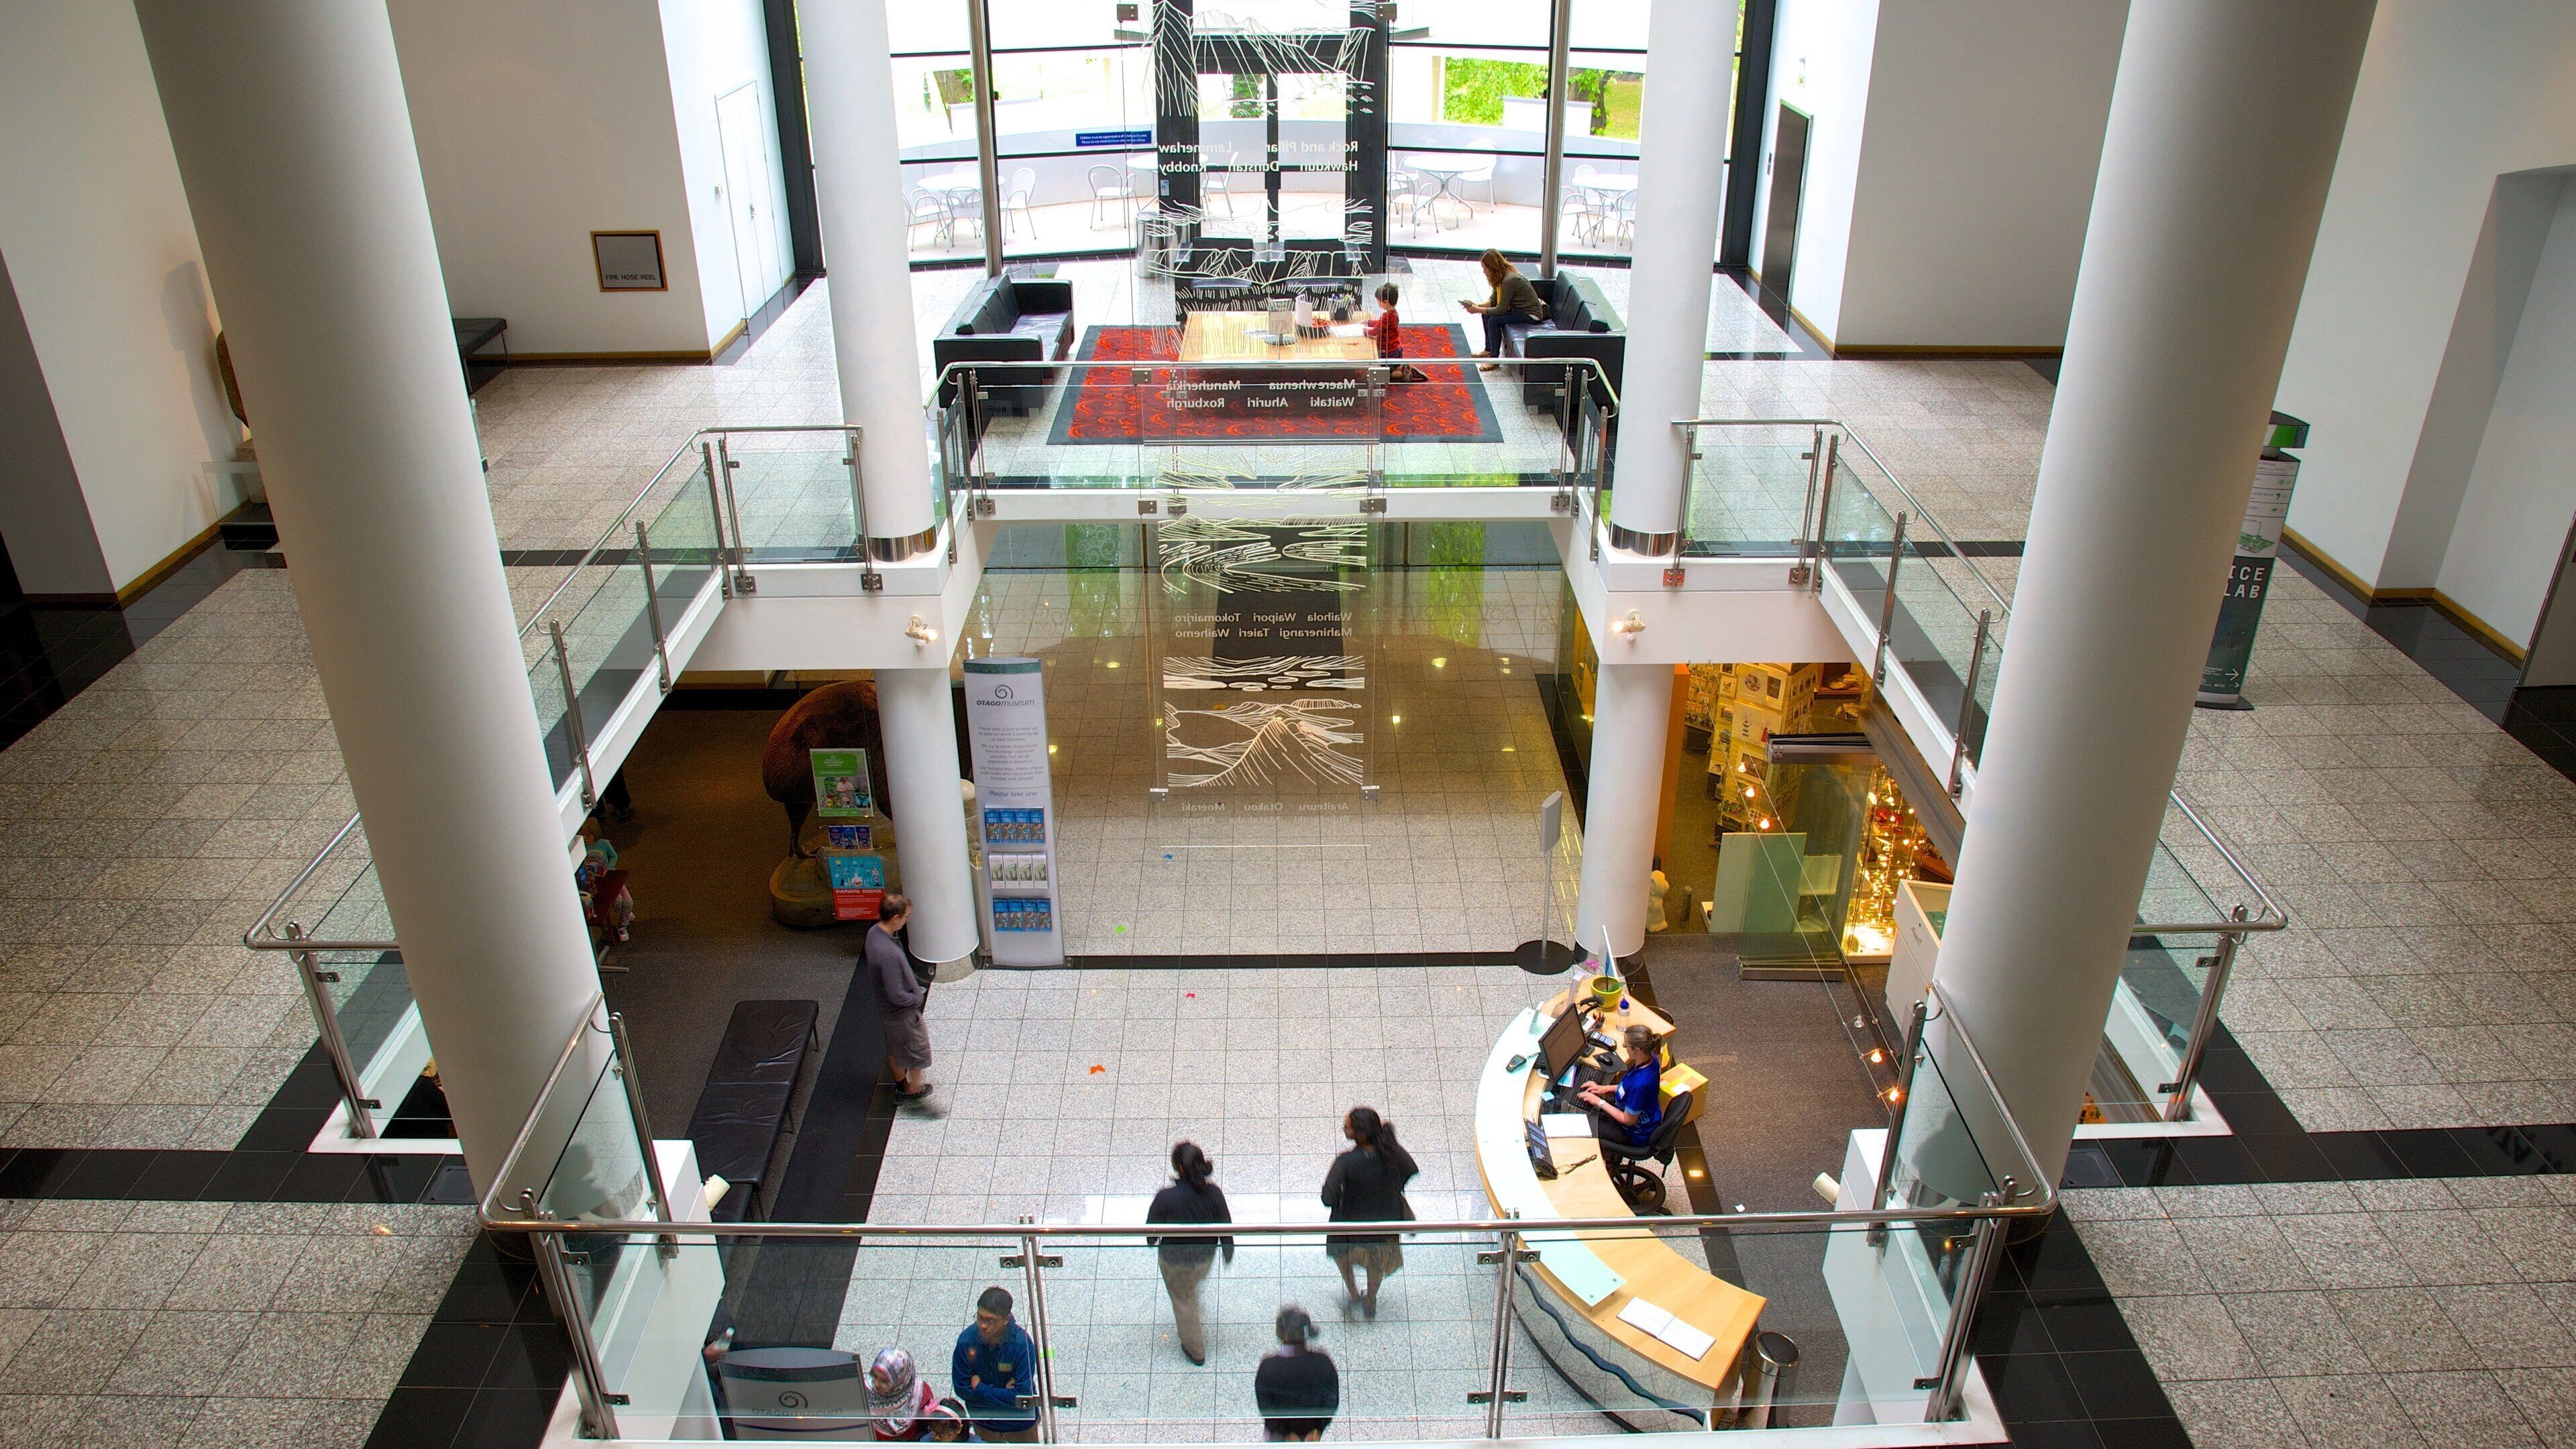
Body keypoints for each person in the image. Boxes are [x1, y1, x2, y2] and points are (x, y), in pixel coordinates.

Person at [1320, 1106, 1417, 1318]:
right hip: (1383, 1225)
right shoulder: (1392, 1152)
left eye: (1347, 1127)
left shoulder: (1345, 1162)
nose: (1344, 1129)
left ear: (1360, 1134)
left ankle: (1354, 1294)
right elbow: (1411, 1169)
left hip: (1349, 1226)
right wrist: (1391, 1187)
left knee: (1342, 1257)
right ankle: (1371, 1298)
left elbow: (1327, 1199)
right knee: (1376, 1262)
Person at [1146, 1140, 1236, 1365]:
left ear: (1180, 1168)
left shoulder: (1165, 1198)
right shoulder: (1214, 1194)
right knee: (1190, 1287)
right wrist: (1228, 1252)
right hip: (1204, 1259)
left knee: (1184, 1303)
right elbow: (1226, 1227)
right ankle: (1192, 1289)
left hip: (1175, 1262)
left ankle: (1196, 1351)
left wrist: (1152, 1241)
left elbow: (1151, 1232)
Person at [952, 1286, 1040, 1443]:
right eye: (980, 1318)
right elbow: (962, 1389)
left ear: (1006, 1319)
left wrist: (980, 1388)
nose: (983, 1325)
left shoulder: (1022, 1344)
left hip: (1020, 1424)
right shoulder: (966, 1341)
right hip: (984, 1423)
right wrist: (1004, 1393)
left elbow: (1022, 1396)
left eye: (990, 1321)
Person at [867, 894, 932, 1099]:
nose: (907, 920)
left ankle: (902, 1085)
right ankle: (914, 1090)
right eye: (906, 917)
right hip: (902, 1015)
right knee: (916, 1050)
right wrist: (917, 999)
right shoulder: (888, 953)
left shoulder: (873, 934)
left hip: (887, 1011)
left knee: (894, 1048)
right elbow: (897, 995)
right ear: (896, 918)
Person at [1254, 1305, 1339, 1442]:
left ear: (1281, 1333)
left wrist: (1286, 1433)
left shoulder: (1268, 1367)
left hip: (1280, 1436)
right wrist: (1318, 1429)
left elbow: (1266, 1406)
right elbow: (1331, 1399)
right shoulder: (1323, 1363)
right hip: (1312, 1436)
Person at [1576, 1024, 1665, 1148]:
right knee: (1592, 1110)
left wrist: (1598, 1101)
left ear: (1637, 1050)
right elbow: (1628, 1086)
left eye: (1626, 1045)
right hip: (1635, 1111)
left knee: (1584, 1125)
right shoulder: (1651, 1059)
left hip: (1634, 1132)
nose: (1625, 1047)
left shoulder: (1639, 1085)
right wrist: (1604, 1088)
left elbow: (1628, 1120)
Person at [1460, 248, 1546, 368]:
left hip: (1531, 315)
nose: (1484, 272)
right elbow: (1493, 300)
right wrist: (1477, 306)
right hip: (1518, 310)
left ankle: (1494, 359)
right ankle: (1489, 349)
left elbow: (1501, 310)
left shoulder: (1509, 280)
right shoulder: (1501, 277)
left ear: (1493, 267)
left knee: (1494, 321)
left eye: (1485, 269)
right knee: (1486, 314)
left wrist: (1477, 310)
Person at [865, 1346, 941, 1441]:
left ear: (900, 1381)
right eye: (874, 1376)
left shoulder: (920, 1394)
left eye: (884, 1381)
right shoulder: (864, 1390)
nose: (876, 1384)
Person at [1647, 856, 1670, 934]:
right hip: (1653, 918)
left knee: (1657, 914)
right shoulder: (1655, 900)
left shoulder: (1656, 900)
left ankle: (1656, 924)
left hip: (1656, 918)